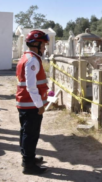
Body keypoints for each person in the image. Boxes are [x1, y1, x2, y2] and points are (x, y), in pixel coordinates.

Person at [16, 30, 50, 174]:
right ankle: (29, 165)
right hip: (30, 104)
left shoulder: (27, 57)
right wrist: (39, 105)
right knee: (31, 134)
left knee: (26, 132)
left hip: (25, 103)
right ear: (36, 44)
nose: (44, 48)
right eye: (43, 45)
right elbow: (31, 86)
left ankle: (28, 158)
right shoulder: (32, 60)